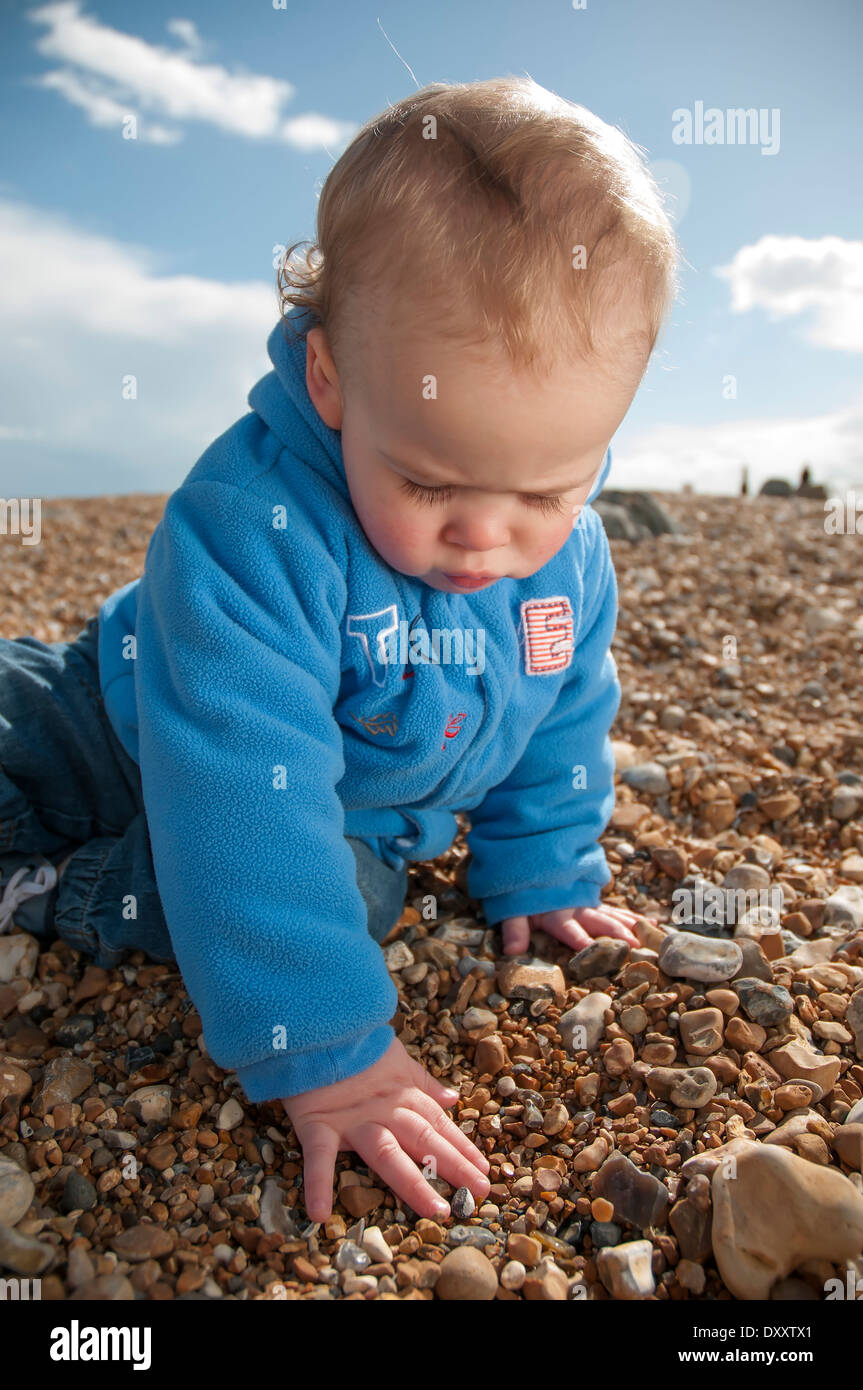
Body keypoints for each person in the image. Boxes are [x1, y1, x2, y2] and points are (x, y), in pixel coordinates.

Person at [0, 77, 678, 1222]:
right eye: (428, 480)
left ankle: (63, 889)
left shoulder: (563, 564)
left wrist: (541, 866)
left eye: (550, 488)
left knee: (345, 895)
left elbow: (560, 715)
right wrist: (325, 1047)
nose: (487, 534)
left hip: (344, 818)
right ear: (328, 381)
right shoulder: (248, 526)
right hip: (113, 716)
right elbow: (238, 785)